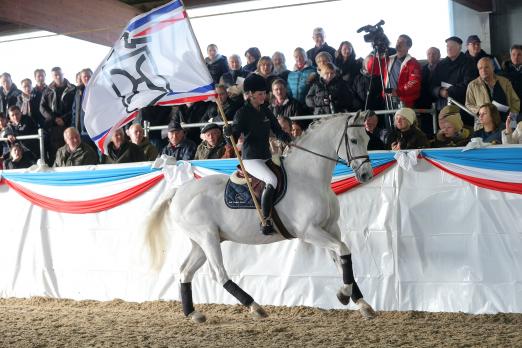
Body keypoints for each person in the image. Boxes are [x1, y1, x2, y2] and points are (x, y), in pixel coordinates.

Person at [224, 73, 292, 235]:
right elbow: (232, 140)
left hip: (267, 155)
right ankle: (265, 219)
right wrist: (228, 134)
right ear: (249, 95)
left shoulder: (266, 111)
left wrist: (291, 141)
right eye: (260, 94)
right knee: (271, 179)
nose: (264, 96)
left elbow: (277, 131)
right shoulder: (242, 113)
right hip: (251, 158)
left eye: (264, 93)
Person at [465, 57, 520, 129]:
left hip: (506, 122)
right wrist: (482, 110)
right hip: (484, 125)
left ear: (493, 67)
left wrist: (512, 120)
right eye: (480, 68)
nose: (483, 70)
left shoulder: (504, 82)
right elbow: (468, 105)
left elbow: (515, 101)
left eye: (486, 67)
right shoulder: (472, 85)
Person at [430, 36, 475, 124]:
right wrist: (439, 91)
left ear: (459, 48)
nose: (449, 49)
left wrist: (449, 91)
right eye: (447, 46)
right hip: (442, 107)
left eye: (452, 47)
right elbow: (431, 85)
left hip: (461, 106)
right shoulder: (441, 64)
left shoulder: (468, 63)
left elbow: (469, 85)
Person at [40, 67, 76, 163]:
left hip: (68, 124)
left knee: (70, 149)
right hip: (52, 127)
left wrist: (63, 119)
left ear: (63, 73)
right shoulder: (47, 90)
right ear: (52, 77)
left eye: (60, 74)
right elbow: (42, 107)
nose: (58, 76)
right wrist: (54, 118)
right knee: (54, 153)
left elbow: (75, 107)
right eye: (55, 75)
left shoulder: (72, 89)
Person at [382, 35, 422, 108]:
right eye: (398, 41)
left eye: (402, 42)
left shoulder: (413, 63)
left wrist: (397, 92)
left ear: (408, 47)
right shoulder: (388, 59)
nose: (398, 43)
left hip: (404, 102)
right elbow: (373, 67)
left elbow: (414, 83)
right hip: (388, 100)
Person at [71, 68, 94, 147]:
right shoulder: (78, 92)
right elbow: (74, 112)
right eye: (84, 77)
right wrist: (74, 127)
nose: (87, 78)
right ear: (81, 78)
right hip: (81, 130)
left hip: (95, 130)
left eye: (89, 76)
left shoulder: (98, 89)